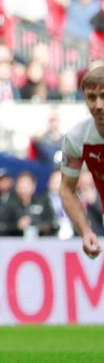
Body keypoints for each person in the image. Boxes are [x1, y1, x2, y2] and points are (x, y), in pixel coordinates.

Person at [59, 65, 104, 258]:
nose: (98, 105)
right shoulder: (76, 138)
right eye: (92, 97)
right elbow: (67, 189)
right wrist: (85, 231)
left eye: (103, 96)